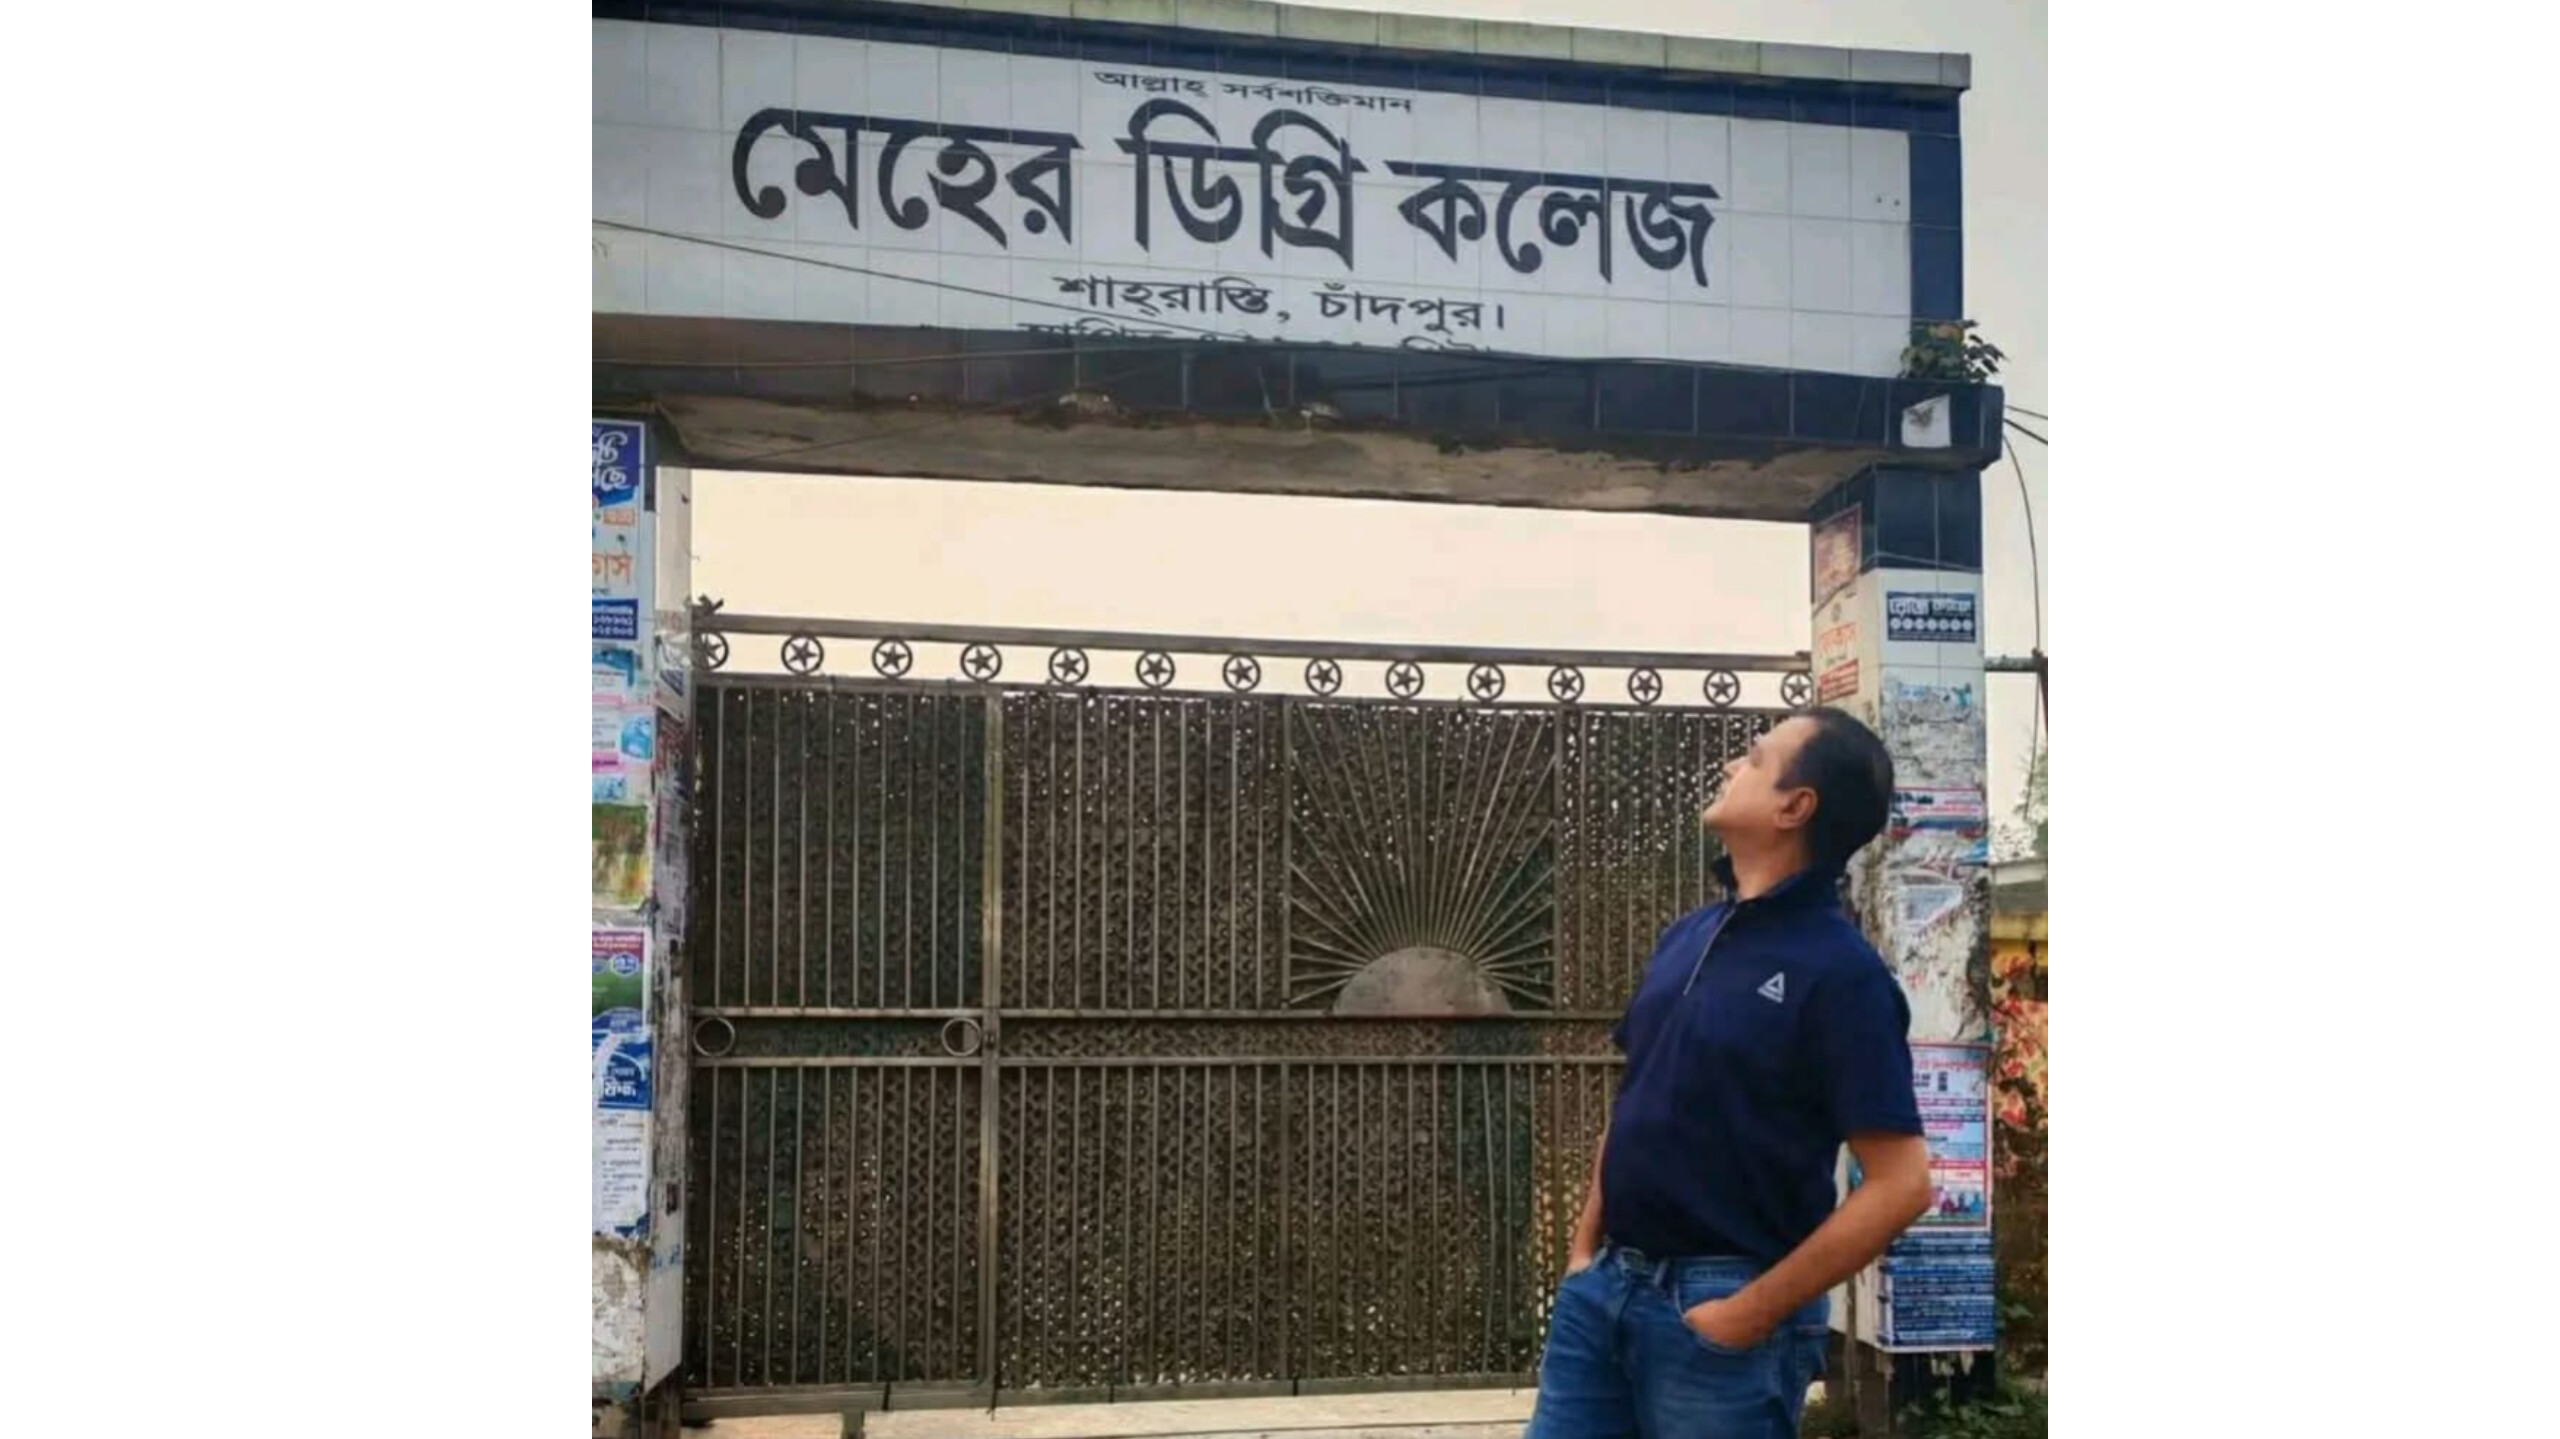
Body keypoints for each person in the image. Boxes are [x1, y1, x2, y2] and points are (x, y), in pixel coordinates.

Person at [1524, 707, 1935, 1439]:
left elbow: (1902, 1184)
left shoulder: (1842, 974)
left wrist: (1749, 1312)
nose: (1728, 766)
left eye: (1753, 758)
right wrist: (1586, 1252)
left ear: (1794, 806)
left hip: (1721, 1308)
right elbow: (1639, 1096)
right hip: (1605, 1292)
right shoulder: (1689, 935)